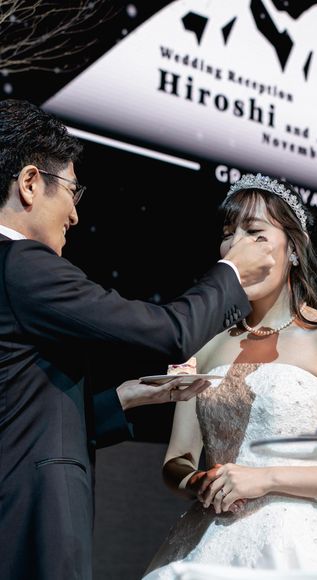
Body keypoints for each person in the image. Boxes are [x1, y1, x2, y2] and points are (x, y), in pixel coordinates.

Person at [0, 99, 275, 580]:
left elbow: (21, 408)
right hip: (31, 517)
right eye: (72, 191)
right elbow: (170, 332)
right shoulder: (23, 266)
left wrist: (126, 398)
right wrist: (231, 274)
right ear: (29, 183)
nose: (75, 215)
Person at [143, 173, 317, 578]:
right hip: (208, 540)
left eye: (255, 233)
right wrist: (200, 481)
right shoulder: (204, 343)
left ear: (294, 248)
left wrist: (265, 479)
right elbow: (177, 459)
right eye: (229, 234)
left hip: (298, 545)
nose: (237, 246)